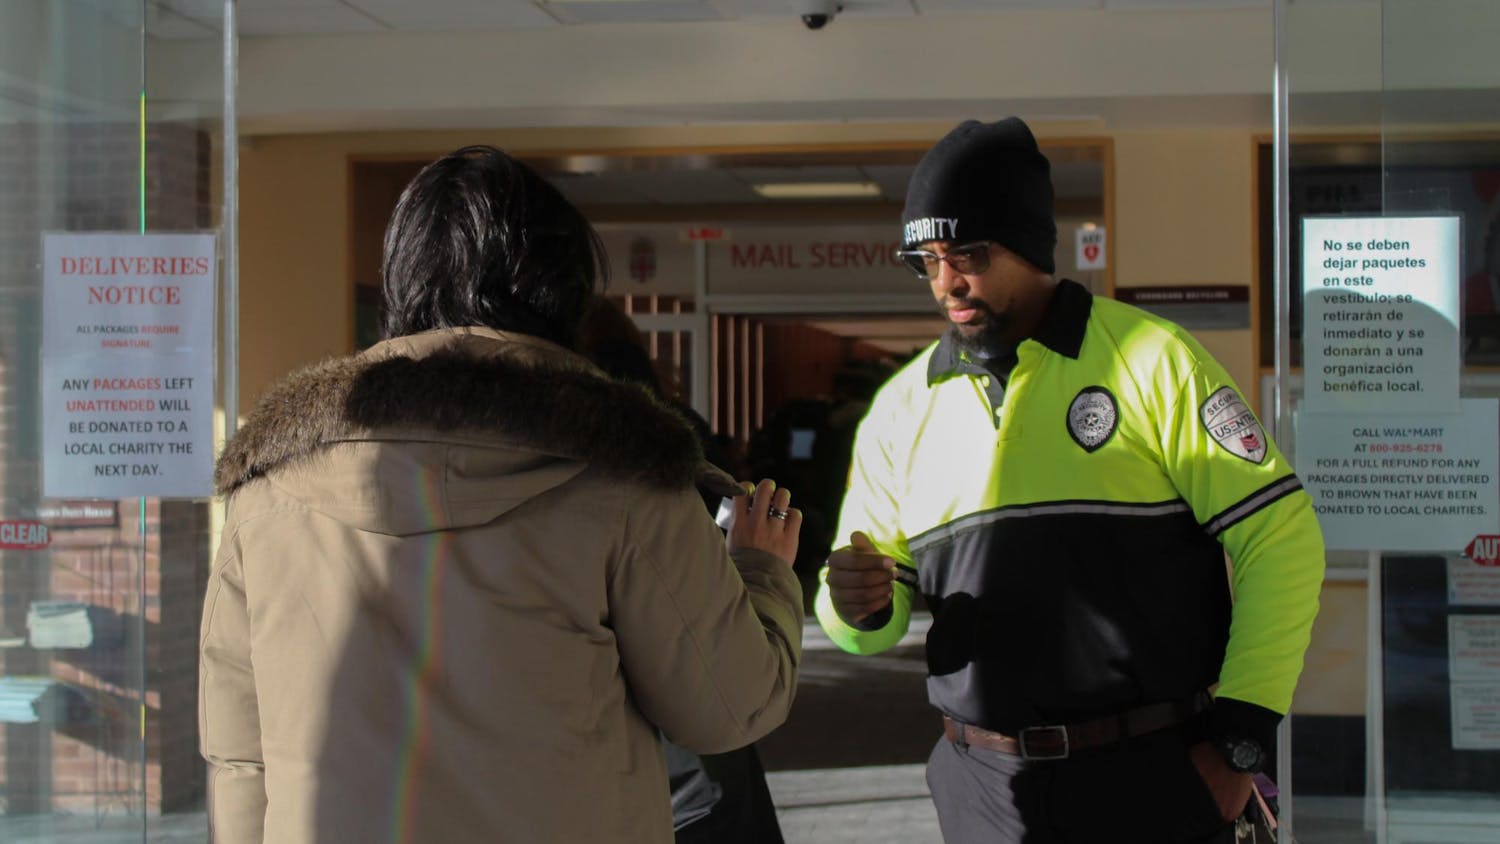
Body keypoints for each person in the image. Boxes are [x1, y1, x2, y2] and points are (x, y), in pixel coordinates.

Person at [200, 146, 805, 844]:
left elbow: (239, 757)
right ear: (564, 292)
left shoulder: (266, 491)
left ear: (399, 282)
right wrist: (761, 571)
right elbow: (727, 708)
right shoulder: (628, 478)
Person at [815, 118, 1325, 844]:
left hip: (1152, 777)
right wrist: (854, 608)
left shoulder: (1150, 358)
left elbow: (1280, 535)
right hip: (980, 788)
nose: (946, 282)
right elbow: (866, 621)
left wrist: (1242, 735)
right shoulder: (900, 410)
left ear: (1028, 243)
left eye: (968, 253)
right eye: (925, 260)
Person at [577, 296, 787, 844]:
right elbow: (747, 695)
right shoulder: (677, 432)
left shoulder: (548, 450)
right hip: (701, 732)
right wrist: (763, 571)